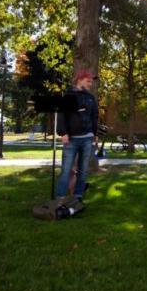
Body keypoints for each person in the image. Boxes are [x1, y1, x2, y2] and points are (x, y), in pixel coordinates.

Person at [55, 70, 99, 201]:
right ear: (79, 80)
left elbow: (94, 116)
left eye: (91, 81)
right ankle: (60, 197)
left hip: (87, 139)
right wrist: (63, 132)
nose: (90, 84)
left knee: (83, 170)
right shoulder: (68, 96)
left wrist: (94, 133)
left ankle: (78, 196)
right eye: (88, 81)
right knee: (66, 169)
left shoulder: (90, 98)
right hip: (71, 139)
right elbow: (62, 115)